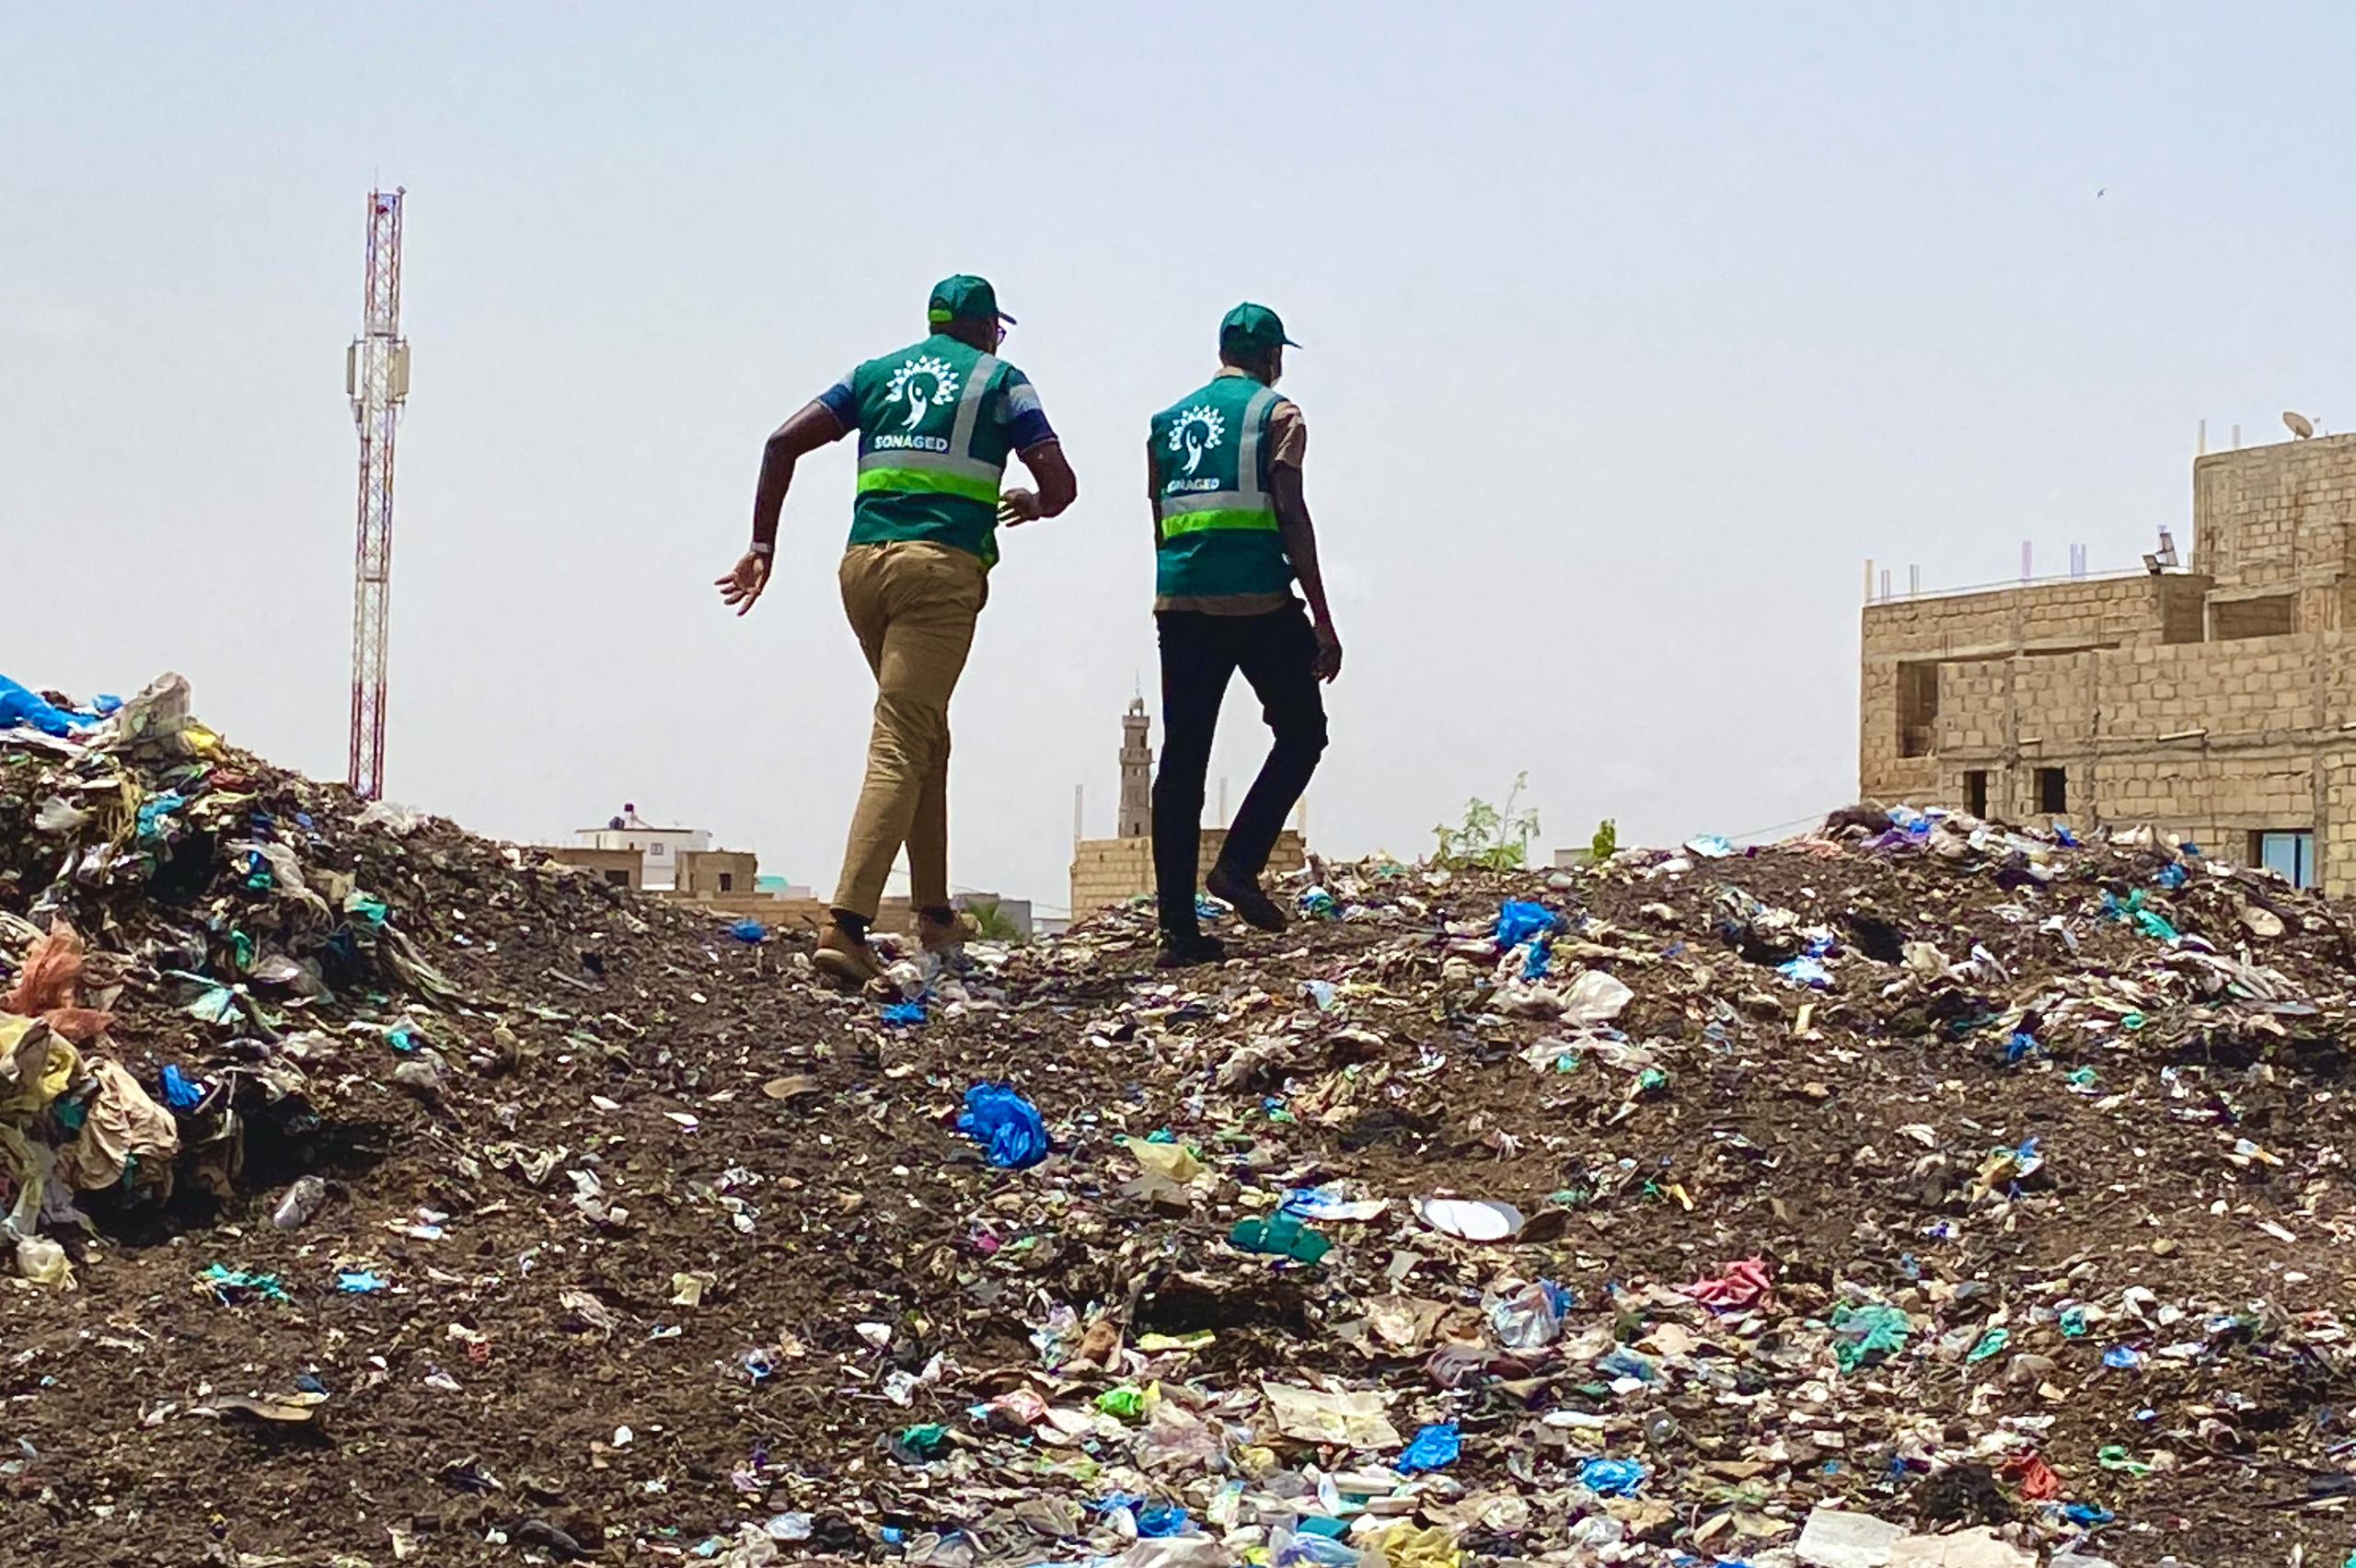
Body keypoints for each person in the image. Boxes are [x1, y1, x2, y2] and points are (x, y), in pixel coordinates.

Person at [717, 275, 1077, 986]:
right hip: (938, 572)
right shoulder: (1002, 381)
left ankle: (935, 911)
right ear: (982, 328)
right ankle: (846, 926)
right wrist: (1034, 505)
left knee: (925, 736)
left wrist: (762, 545)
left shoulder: (874, 374)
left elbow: (781, 442)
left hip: (863, 570)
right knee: (902, 741)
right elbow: (1060, 482)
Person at [1145, 303, 1340, 968]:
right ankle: (1237, 864)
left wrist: (1171, 591)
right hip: (1258, 601)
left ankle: (1178, 932)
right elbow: (1291, 511)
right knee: (1303, 731)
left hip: (1181, 602)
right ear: (1272, 357)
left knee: (1182, 762)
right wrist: (1321, 614)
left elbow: (1158, 516)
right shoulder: (1279, 415)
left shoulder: (1167, 423)